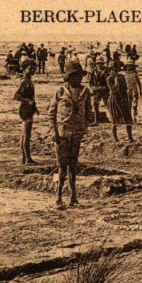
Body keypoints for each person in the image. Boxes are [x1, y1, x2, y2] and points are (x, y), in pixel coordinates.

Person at [48, 61, 92, 209]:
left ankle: (73, 197)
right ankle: (58, 198)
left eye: (80, 75)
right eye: (76, 76)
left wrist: (84, 125)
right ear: (69, 77)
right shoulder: (60, 91)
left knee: (73, 166)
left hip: (76, 133)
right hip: (62, 133)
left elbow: (89, 112)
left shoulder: (85, 92)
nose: (79, 78)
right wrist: (54, 131)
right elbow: (52, 113)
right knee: (62, 166)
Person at [13, 61, 39, 164]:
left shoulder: (29, 81)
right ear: (24, 69)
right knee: (26, 135)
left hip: (29, 109)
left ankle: (24, 158)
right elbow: (16, 96)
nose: (32, 70)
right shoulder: (24, 82)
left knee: (24, 134)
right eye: (30, 68)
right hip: (25, 110)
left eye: (34, 68)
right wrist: (28, 102)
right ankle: (27, 158)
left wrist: (35, 107)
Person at [106, 60, 134, 142]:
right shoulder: (109, 79)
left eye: (116, 68)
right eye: (113, 69)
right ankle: (115, 139)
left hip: (122, 99)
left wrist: (127, 98)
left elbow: (124, 88)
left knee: (128, 119)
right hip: (114, 100)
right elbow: (113, 89)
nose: (115, 70)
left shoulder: (121, 76)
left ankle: (130, 137)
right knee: (114, 120)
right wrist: (115, 79)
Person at [89, 56, 109, 124]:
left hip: (104, 90)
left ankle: (112, 118)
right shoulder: (94, 71)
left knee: (108, 104)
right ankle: (96, 120)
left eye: (100, 63)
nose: (99, 65)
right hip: (96, 90)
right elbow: (90, 82)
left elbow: (108, 81)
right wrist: (93, 87)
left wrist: (105, 87)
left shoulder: (106, 71)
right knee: (95, 105)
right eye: (98, 63)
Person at [122, 59, 142, 123]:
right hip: (127, 91)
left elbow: (139, 83)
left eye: (131, 66)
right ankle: (129, 118)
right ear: (126, 66)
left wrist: (140, 91)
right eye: (128, 66)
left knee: (134, 105)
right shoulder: (124, 74)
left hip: (134, 90)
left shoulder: (135, 74)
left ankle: (135, 118)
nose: (129, 67)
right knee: (128, 105)